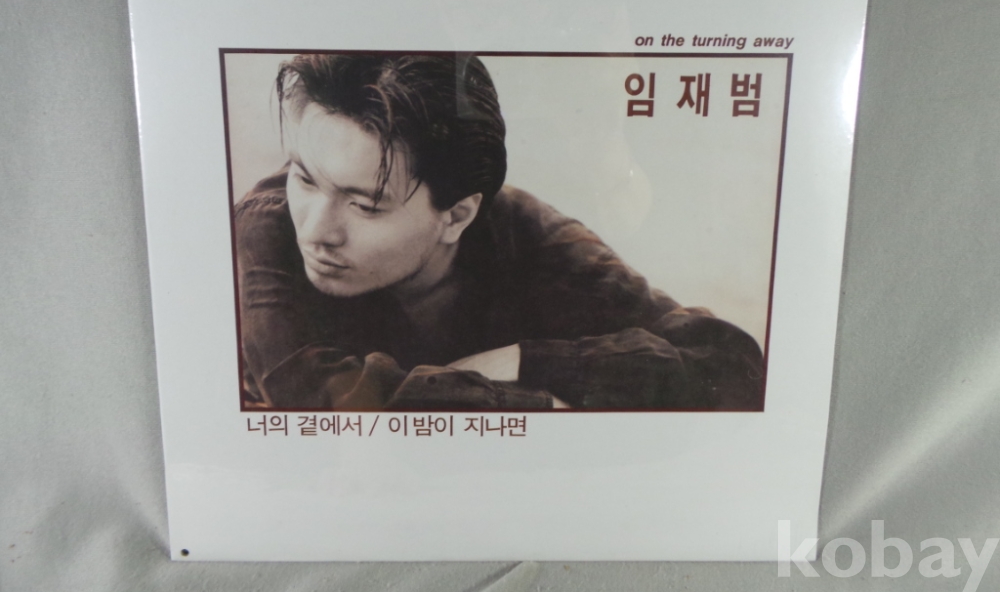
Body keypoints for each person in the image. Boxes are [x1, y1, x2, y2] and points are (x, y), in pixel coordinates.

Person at [234, 53, 764, 411]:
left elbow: (728, 364)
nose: (317, 230)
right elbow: (332, 405)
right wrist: (537, 403)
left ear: (457, 216)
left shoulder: (527, 233)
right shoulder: (267, 225)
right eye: (304, 178)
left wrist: (527, 359)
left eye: (365, 205)